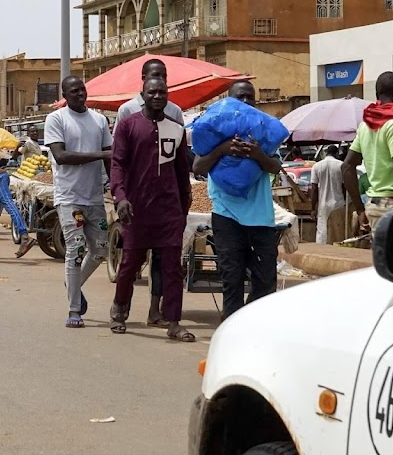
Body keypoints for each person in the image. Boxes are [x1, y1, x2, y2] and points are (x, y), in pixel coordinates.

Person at [110, 77, 195, 341]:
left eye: (162, 92)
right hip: (136, 209)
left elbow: (182, 172)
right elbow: (117, 165)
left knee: (172, 267)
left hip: (169, 210)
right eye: (152, 92)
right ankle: (119, 311)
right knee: (130, 263)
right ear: (143, 94)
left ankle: (173, 322)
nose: (158, 96)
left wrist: (183, 208)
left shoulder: (176, 128)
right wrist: (120, 197)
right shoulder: (127, 125)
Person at [192, 81, 282, 320]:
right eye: (240, 97)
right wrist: (222, 149)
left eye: (250, 97)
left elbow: (276, 167)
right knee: (232, 278)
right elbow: (198, 166)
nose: (245, 102)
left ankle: (251, 323)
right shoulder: (217, 128)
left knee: (265, 281)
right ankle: (230, 326)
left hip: (261, 217)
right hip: (227, 215)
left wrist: (258, 154)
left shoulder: (263, 129)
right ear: (229, 101)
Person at [45, 76, 113, 328]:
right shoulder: (56, 119)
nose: (79, 94)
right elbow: (61, 156)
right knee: (75, 251)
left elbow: (110, 158)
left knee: (100, 250)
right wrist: (102, 154)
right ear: (65, 95)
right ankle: (74, 310)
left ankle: (72, 282)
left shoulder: (99, 120)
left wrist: (116, 186)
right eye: (73, 91)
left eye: (82, 89)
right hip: (69, 197)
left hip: (94, 196)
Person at [342, 72, 393, 233]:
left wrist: (360, 209)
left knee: (384, 257)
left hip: (374, 207)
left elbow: (346, 166)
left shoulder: (366, 125)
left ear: (377, 95)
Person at [309, 145, 345, 245]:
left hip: (323, 204)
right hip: (338, 202)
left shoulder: (317, 166)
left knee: (322, 231)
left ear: (326, 153)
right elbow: (344, 186)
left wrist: (313, 209)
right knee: (338, 229)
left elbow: (314, 189)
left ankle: (321, 252)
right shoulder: (341, 165)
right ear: (337, 153)